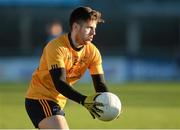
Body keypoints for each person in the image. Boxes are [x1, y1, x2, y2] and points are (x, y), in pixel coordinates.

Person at [25, 6, 109, 129]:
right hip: (40, 99)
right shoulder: (56, 47)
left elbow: (100, 85)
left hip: (58, 102)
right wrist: (83, 100)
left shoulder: (93, 52)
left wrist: (110, 104)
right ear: (75, 27)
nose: (93, 33)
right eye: (89, 28)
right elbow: (59, 82)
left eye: (94, 28)